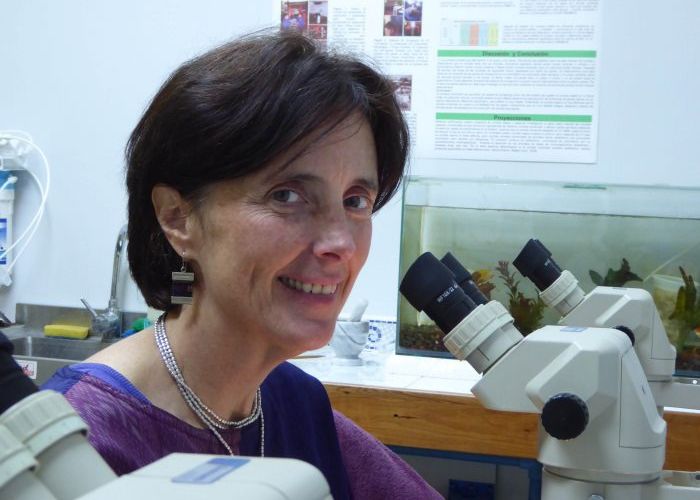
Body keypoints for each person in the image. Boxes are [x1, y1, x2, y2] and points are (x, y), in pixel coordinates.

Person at [43, 30, 441, 499]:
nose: (340, 244)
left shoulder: (294, 402)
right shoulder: (83, 445)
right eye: (287, 196)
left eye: (355, 200)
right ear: (178, 218)